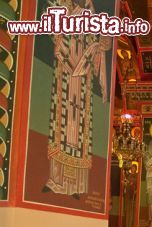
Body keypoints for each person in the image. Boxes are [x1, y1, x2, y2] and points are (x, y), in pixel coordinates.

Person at [44, 0, 111, 199]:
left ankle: (75, 186)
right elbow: (55, 31)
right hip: (65, 73)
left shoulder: (89, 12)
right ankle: (56, 180)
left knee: (80, 130)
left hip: (83, 82)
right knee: (61, 125)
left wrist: (102, 44)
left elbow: (99, 44)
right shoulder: (63, 6)